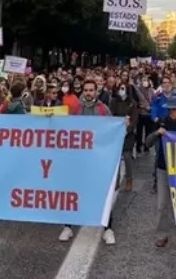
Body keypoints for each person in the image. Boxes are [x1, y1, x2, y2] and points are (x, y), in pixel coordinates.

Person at [62, 80, 116, 245]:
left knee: (103, 193)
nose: (88, 93)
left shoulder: (103, 109)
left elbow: (113, 128)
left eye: (91, 90)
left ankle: (108, 229)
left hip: (99, 159)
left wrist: (124, 124)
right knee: (73, 192)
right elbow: (66, 127)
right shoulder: (76, 109)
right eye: (86, 90)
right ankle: (68, 227)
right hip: (79, 159)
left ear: (96, 91)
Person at [145, 94, 176, 249]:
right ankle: (161, 235)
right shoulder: (163, 123)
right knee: (163, 204)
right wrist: (158, 133)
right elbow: (147, 142)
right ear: (171, 110)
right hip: (164, 168)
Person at [109, 83, 137, 192]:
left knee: (127, 156)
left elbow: (134, 120)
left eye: (123, 89)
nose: (121, 91)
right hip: (116, 133)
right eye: (120, 88)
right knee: (116, 158)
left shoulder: (132, 103)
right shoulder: (114, 102)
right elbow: (111, 116)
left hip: (128, 134)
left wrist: (128, 129)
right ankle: (116, 181)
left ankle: (129, 179)